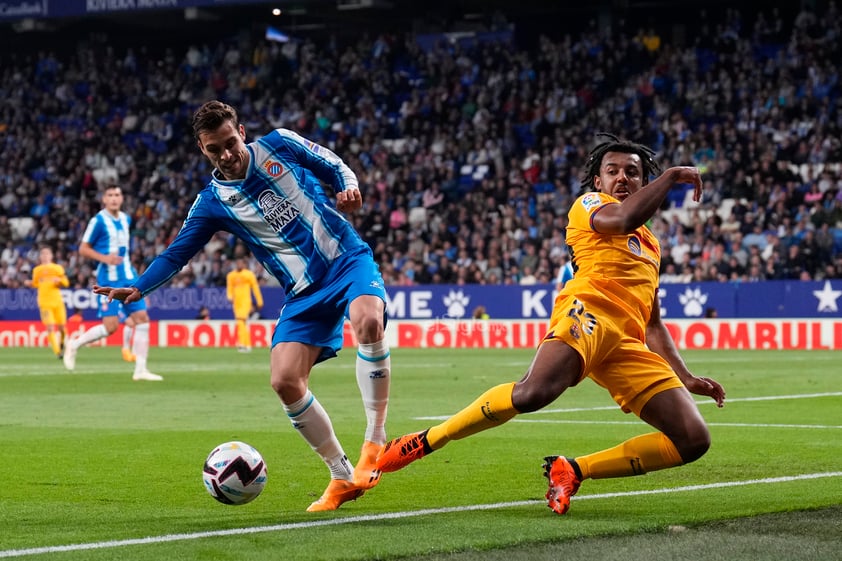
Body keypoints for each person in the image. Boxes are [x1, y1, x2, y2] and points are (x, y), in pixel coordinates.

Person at [377, 134, 726, 515]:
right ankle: (426, 440)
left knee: (693, 439)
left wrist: (687, 377)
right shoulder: (590, 205)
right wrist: (673, 176)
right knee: (532, 394)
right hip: (588, 313)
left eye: (632, 172)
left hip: (627, 342)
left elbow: (654, 322)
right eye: (612, 171)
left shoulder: (652, 245)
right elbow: (624, 218)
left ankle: (572, 470)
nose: (622, 178)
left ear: (643, 182)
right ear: (598, 181)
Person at [94, 100, 391, 512]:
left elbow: (334, 164)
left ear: (243, 131)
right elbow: (177, 253)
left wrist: (349, 186)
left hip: (345, 259)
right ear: (203, 149)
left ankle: (375, 442)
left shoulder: (281, 144)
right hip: (303, 293)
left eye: (230, 142)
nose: (226, 155)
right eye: (214, 149)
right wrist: (139, 287)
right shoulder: (212, 202)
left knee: (368, 320)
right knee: (284, 380)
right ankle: (342, 476)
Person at [63, 185, 162, 382]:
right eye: (110, 195)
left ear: (122, 198)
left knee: (142, 319)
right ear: (104, 199)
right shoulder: (98, 221)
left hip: (129, 276)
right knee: (111, 327)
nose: (114, 198)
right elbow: (83, 248)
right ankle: (75, 344)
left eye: (117, 194)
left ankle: (140, 370)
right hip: (108, 278)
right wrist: (105, 258)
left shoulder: (125, 219)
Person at [29, 246, 69, 359]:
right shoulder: (37, 270)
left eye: (47, 254)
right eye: (43, 254)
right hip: (44, 303)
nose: (45, 256)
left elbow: (66, 283)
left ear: (51, 256)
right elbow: (35, 283)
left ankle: (61, 344)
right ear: (40, 256)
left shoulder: (57, 268)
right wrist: (30, 283)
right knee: (50, 327)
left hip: (57, 302)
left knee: (62, 327)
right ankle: (58, 352)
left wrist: (59, 281)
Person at [226, 257, 264, 352]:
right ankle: (246, 344)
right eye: (237, 263)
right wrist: (230, 297)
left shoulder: (249, 275)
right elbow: (229, 287)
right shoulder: (231, 275)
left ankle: (244, 344)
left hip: (246, 301)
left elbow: (255, 288)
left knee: (241, 321)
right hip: (236, 302)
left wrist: (259, 301)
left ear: (244, 264)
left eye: (240, 263)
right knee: (241, 323)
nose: (239, 265)